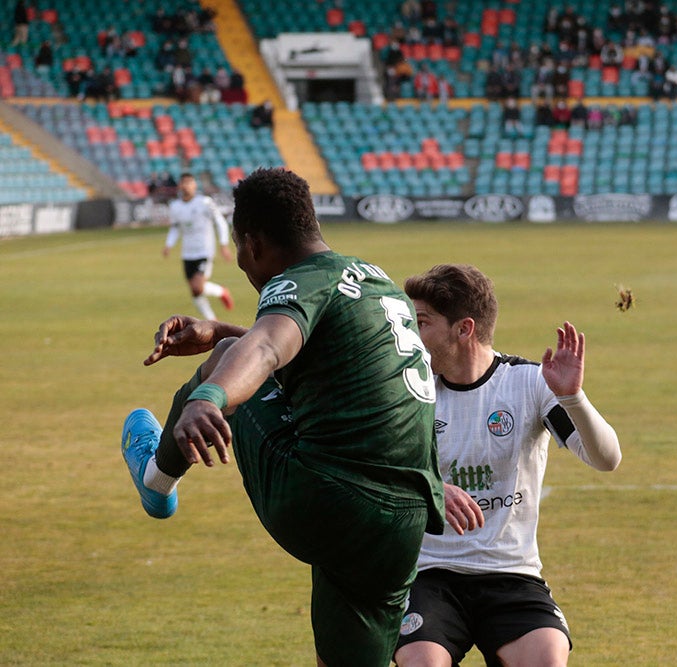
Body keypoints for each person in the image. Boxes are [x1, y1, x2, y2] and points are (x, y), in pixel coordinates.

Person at [120, 167, 445, 666]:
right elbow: (316, 353)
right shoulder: (380, 282)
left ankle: (155, 479)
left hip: (327, 496)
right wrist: (224, 332)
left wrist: (207, 398)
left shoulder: (296, 279)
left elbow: (268, 346)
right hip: (405, 519)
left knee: (229, 353)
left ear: (252, 244)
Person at [393, 264, 622, 667]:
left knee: (547, 657)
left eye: (422, 323)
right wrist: (431, 487)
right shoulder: (409, 391)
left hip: (511, 575)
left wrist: (572, 398)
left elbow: (606, 459)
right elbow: (373, 472)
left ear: (463, 329)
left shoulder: (529, 383)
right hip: (430, 574)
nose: (411, 335)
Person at [163, 172, 234, 320]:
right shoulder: (175, 206)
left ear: (195, 185)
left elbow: (220, 222)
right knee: (195, 291)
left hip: (204, 251)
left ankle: (221, 292)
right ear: (180, 186)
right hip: (187, 253)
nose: (187, 186)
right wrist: (168, 245)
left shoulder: (205, 203)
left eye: (190, 182)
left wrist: (223, 244)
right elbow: (175, 227)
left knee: (197, 286)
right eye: (184, 182)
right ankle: (211, 320)